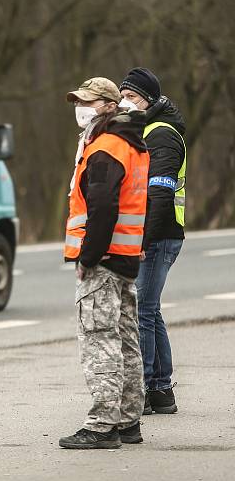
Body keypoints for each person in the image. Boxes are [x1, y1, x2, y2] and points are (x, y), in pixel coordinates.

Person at [59, 77, 148, 449]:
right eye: (80, 100)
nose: (83, 108)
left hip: (105, 259)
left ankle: (102, 425)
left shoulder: (106, 147)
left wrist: (87, 256)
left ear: (110, 106)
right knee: (126, 338)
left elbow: (103, 207)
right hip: (126, 256)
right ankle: (128, 421)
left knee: (100, 340)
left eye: (91, 101)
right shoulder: (131, 143)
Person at [119, 67, 186, 415]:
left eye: (131, 97)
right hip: (158, 233)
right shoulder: (146, 129)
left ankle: (145, 388)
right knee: (151, 310)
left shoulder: (161, 134)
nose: (125, 103)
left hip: (158, 234)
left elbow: (160, 194)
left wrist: (142, 240)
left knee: (142, 311)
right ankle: (161, 390)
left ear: (149, 99)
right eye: (123, 96)